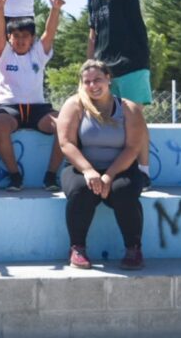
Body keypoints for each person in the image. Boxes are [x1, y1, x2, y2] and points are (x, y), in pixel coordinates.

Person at [56, 60, 148, 270]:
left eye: (97, 79)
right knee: (81, 190)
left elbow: (133, 148)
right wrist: (88, 171)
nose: (92, 85)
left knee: (123, 191)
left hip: (121, 168)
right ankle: (77, 248)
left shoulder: (129, 108)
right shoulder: (74, 105)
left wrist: (109, 175)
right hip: (81, 167)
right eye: (87, 81)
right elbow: (66, 143)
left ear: (108, 79)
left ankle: (133, 248)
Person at [82, 0, 152, 189]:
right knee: (111, 121)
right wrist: (89, 66)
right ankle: (119, 170)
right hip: (105, 70)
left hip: (131, 62)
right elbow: (93, 34)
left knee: (135, 119)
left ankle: (143, 172)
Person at [0, 0, 64, 191]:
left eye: (26, 36)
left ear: (32, 38)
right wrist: (0, 9)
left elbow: (50, 33)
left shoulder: (38, 54)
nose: (21, 40)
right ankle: (15, 176)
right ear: (10, 38)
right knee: (0, 125)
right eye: (16, 36)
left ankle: (50, 176)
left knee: (64, 124)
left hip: (38, 109)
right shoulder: (3, 54)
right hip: (9, 108)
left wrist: (55, 9)